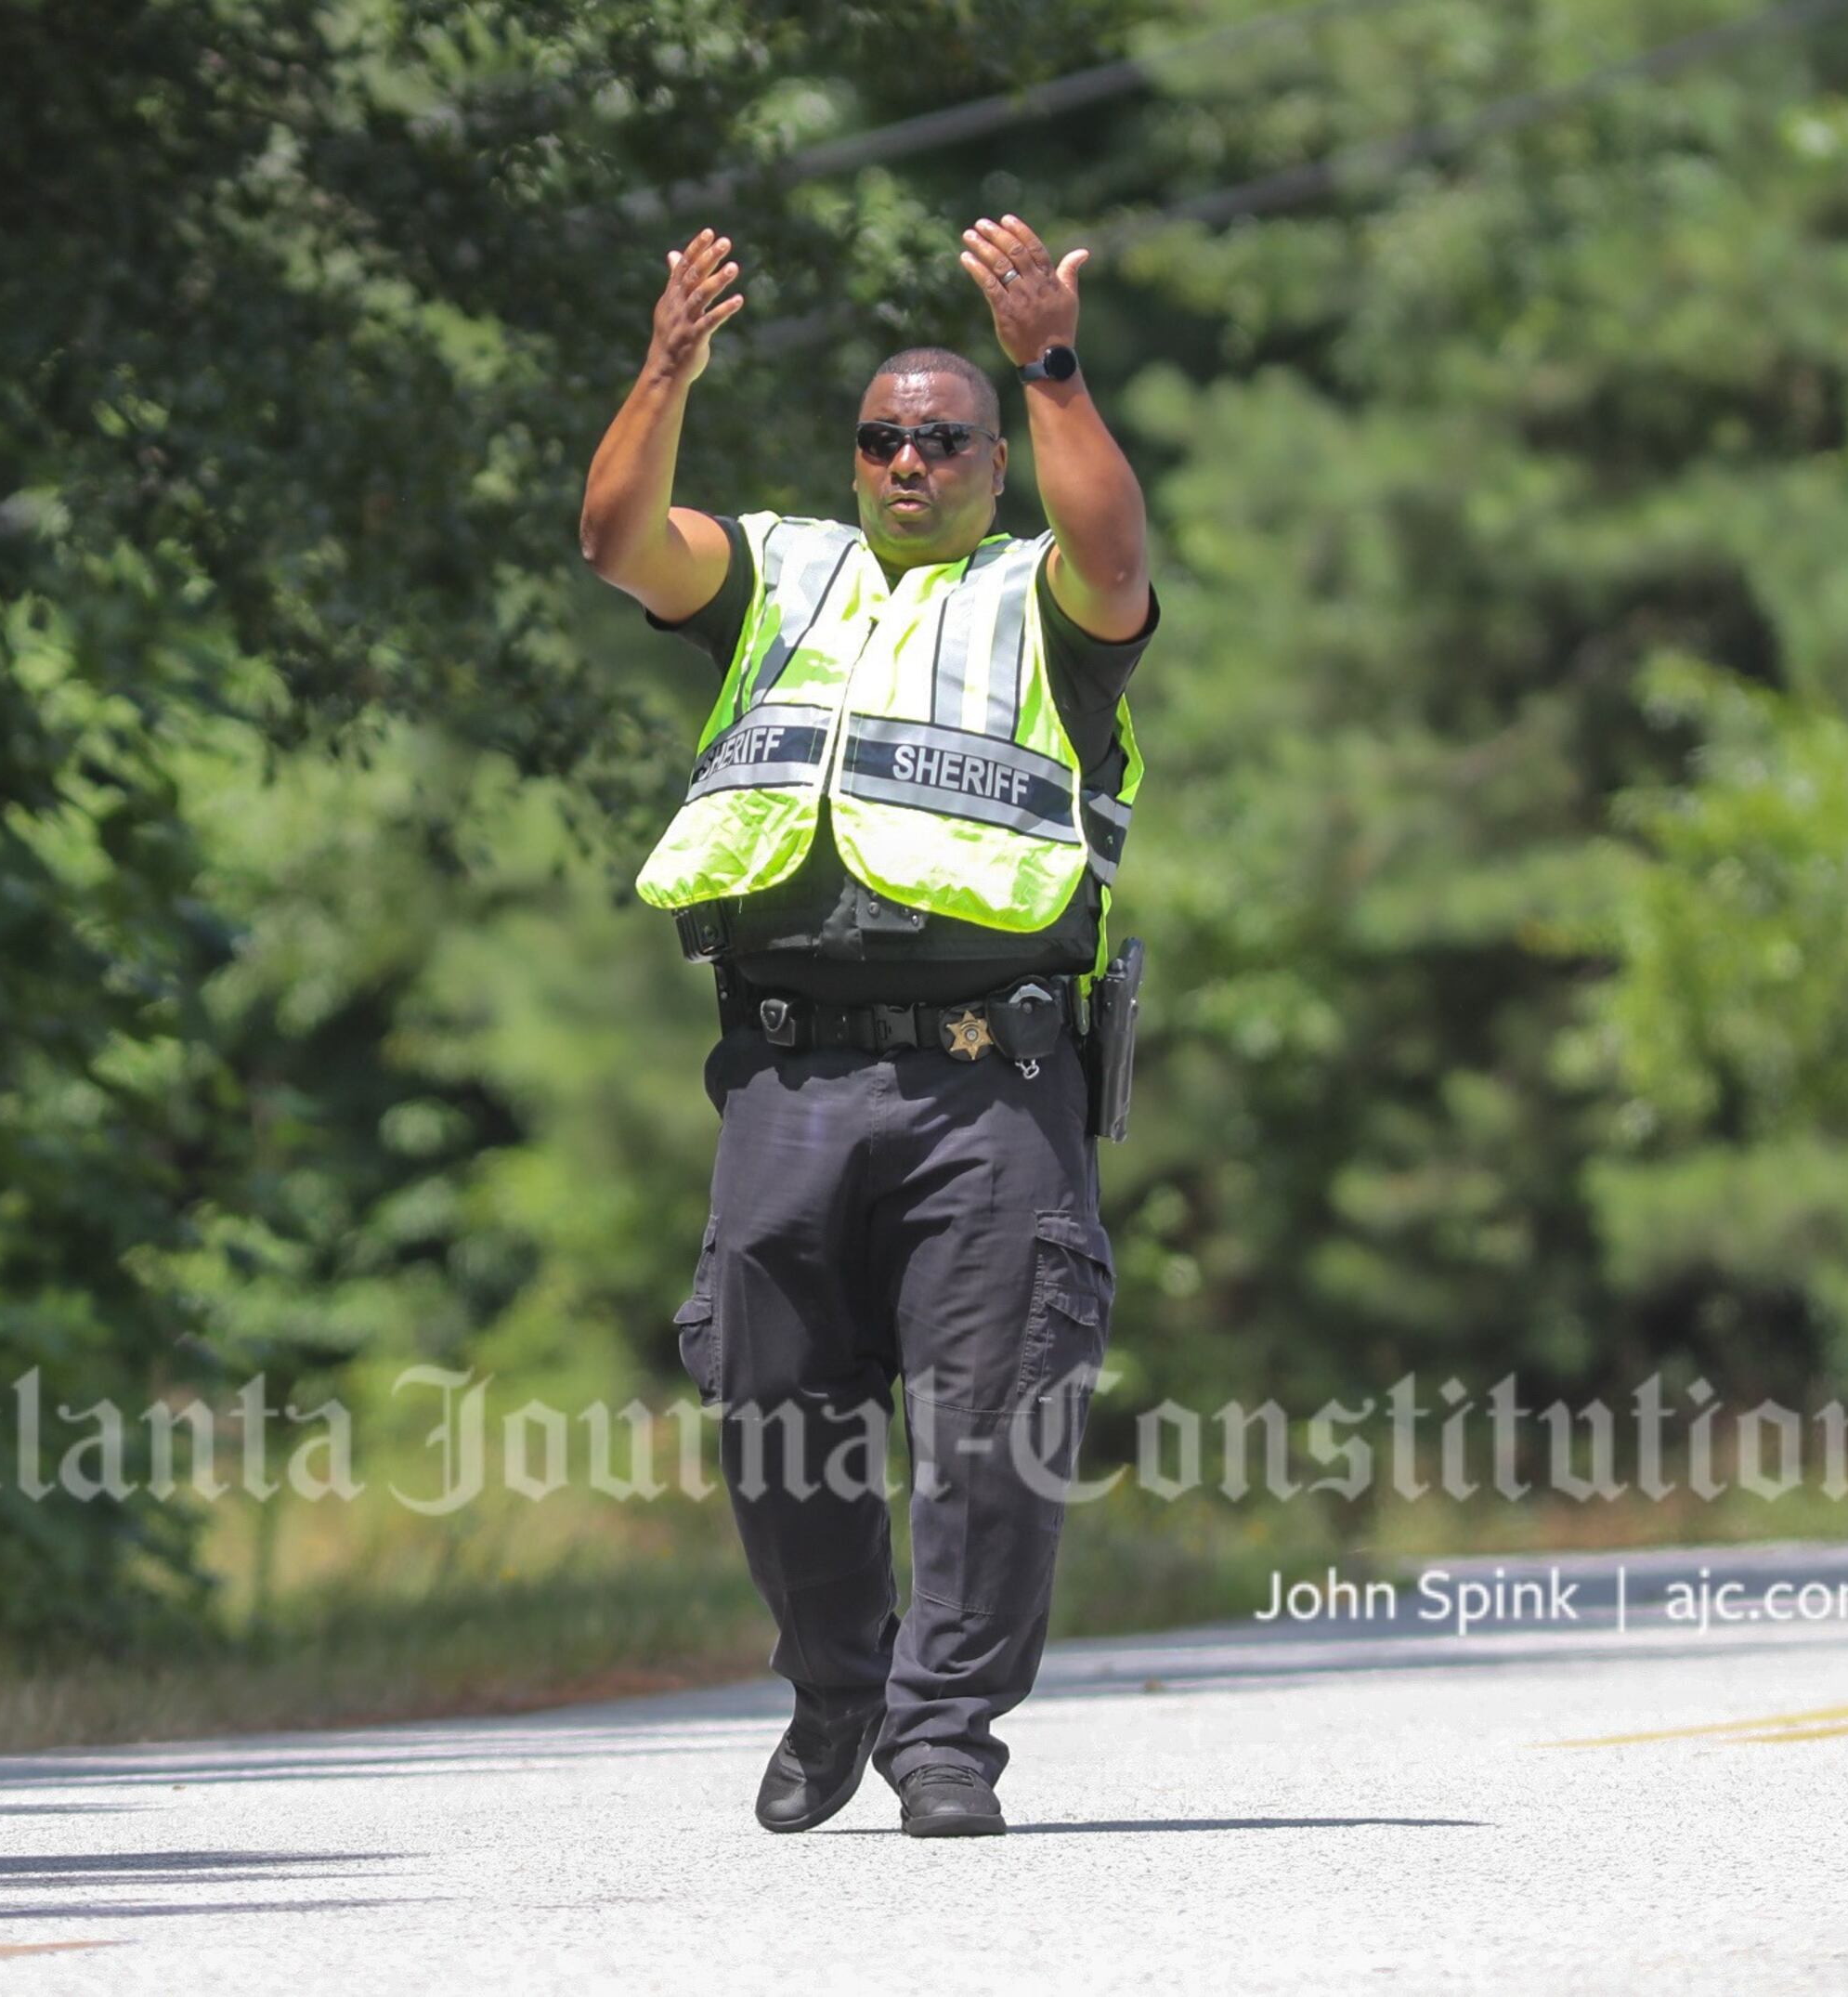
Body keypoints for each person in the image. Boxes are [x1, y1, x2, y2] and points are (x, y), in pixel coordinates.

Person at [579, 217, 1159, 1838]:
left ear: (992, 459)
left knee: (988, 1428)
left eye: (945, 437)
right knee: (771, 1408)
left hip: (993, 1081)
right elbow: (620, 536)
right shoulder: (777, 577)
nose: (912, 457)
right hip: (788, 1075)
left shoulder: (1037, 599)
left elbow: (1117, 557)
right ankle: (839, 1679)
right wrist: (666, 366)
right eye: (885, 436)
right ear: (855, 456)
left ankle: (947, 1732)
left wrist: (1049, 363)